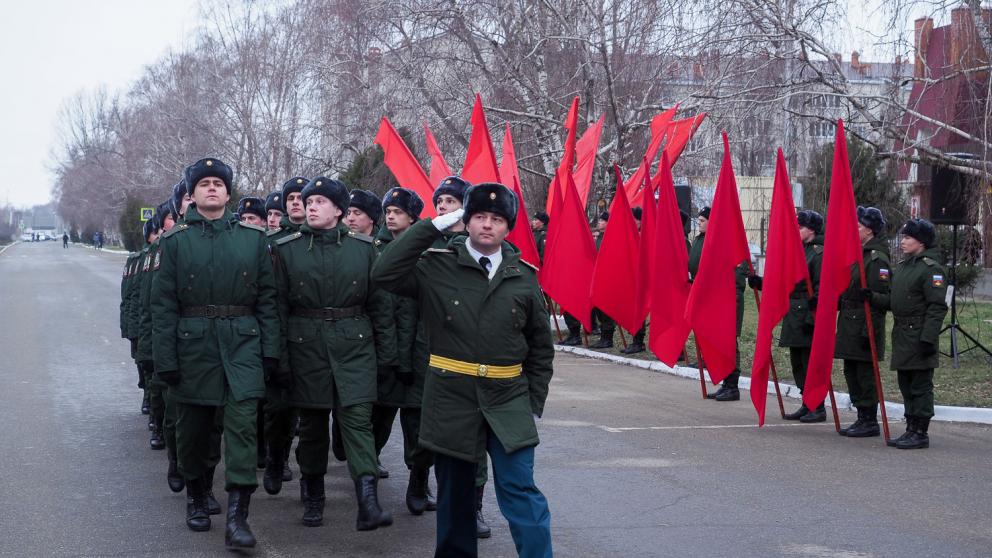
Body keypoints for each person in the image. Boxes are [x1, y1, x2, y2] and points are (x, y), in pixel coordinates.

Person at [373, 182, 555, 558]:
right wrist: (432, 226)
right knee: (455, 498)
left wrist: (532, 401)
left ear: (508, 227)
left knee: (521, 490)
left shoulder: (523, 275)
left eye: (498, 219)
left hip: (508, 400)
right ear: (466, 221)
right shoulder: (437, 264)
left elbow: (540, 348)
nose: (488, 225)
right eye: (479, 217)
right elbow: (384, 272)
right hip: (451, 397)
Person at [152, 158, 280, 549]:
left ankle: (238, 516)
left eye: (218, 183)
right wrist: (166, 362)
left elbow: (268, 300)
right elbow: (163, 307)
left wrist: (270, 353)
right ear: (191, 194)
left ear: (228, 193)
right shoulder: (176, 243)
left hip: (242, 345)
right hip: (194, 347)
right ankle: (196, 493)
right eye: (204, 183)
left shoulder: (252, 240)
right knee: (193, 431)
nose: (212, 188)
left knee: (241, 430)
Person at [273, 177, 393, 530]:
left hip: (354, 344)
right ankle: (313, 494)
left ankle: (367, 501)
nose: (310, 206)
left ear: (339, 211)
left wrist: (387, 357)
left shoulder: (365, 249)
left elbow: (381, 307)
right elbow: (277, 308)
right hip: (305, 345)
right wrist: (278, 358)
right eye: (308, 202)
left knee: (357, 423)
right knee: (311, 427)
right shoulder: (286, 249)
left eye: (320, 202)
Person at [370, 187, 437, 516]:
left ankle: (418, 484)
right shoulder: (374, 248)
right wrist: (386, 356)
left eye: (398, 210)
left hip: (420, 352)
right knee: (377, 423)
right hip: (384, 352)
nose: (391, 215)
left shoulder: (431, 252)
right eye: (388, 210)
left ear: (413, 216)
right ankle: (366, 480)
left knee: (418, 424)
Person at [749, 210, 825, 421]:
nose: (795, 231)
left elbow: (821, 290)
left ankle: (817, 405)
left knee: (810, 362)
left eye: (799, 227)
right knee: (798, 362)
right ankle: (806, 401)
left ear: (811, 230)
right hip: (793, 313)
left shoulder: (819, 253)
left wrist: (813, 318)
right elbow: (785, 281)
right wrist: (762, 283)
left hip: (808, 314)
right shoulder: (796, 250)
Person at [880, 219, 948, 449]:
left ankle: (921, 432)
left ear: (921, 242)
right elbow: (894, 300)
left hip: (919, 334)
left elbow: (937, 307)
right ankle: (910, 428)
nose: (903, 242)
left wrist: (928, 337)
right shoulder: (905, 266)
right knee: (906, 384)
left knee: (920, 385)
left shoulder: (931, 269)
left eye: (908, 238)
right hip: (902, 333)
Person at [835, 206, 890, 437]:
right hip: (849, 323)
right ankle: (861, 416)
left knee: (865, 374)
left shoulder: (877, 260)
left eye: (858, 226)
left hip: (864, 327)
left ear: (869, 230)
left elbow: (884, 300)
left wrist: (871, 298)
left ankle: (869, 419)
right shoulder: (858, 254)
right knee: (852, 371)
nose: (854, 229)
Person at [690, 206, 747, 401]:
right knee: (714, 338)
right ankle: (724, 381)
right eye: (698, 221)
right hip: (708, 296)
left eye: (702, 221)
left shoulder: (726, 241)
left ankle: (732, 385)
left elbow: (736, 273)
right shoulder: (700, 240)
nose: (699, 224)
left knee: (728, 341)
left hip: (727, 299)